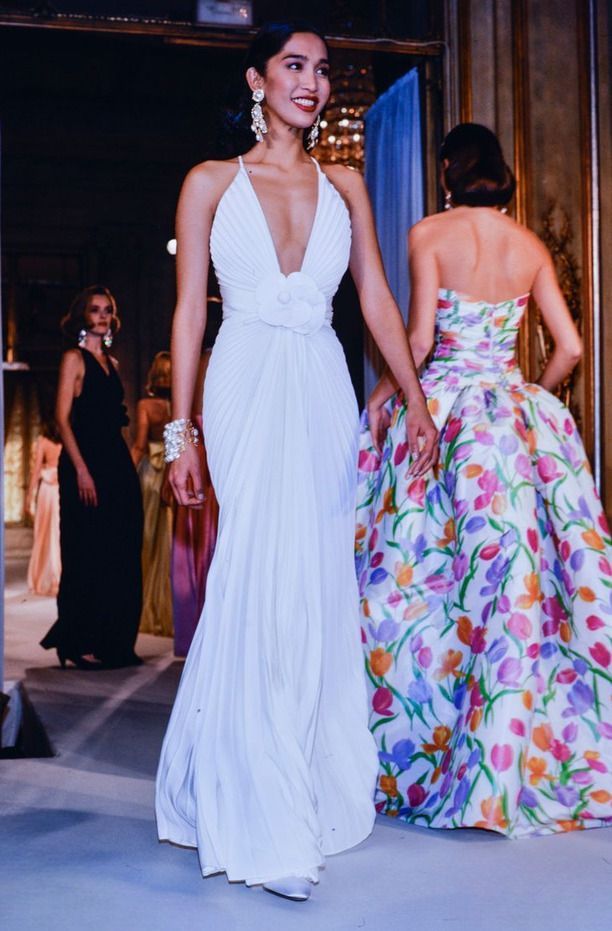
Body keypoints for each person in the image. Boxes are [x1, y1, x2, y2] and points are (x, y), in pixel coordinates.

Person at [155, 21, 437, 901]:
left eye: (321, 70)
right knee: (253, 571)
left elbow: (376, 297)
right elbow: (189, 314)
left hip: (320, 386)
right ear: (257, 78)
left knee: (312, 576)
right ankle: (264, 813)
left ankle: (296, 779)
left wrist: (416, 399)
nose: (311, 82)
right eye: (293, 66)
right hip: (243, 382)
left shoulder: (345, 183)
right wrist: (181, 434)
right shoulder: (209, 181)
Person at [356, 123, 612, 838]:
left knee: (423, 581)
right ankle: (512, 756)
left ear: (448, 169)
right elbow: (571, 347)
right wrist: (530, 396)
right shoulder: (529, 246)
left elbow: (419, 341)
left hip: (446, 413)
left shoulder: (429, 233)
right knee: (519, 587)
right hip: (509, 419)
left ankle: (420, 745)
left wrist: (384, 395)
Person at [40, 286, 143, 670]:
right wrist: (82, 469)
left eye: (107, 310)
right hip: (84, 463)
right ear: (82, 315)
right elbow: (61, 418)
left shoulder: (112, 362)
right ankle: (76, 640)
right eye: (95, 309)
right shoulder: (74, 358)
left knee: (120, 550)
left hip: (115, 462)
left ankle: (112, 642)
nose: (102, 315)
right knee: (86, 551)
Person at [131, 351, 173, 638]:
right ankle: (170, 610)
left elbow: (139, 444)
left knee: (146, 539)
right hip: (172, 470)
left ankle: (147, 607)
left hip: (150, 475)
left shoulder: (146, 405)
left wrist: (124, 472)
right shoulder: (181, 404)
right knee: (167, 543)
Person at [26, 418, 62, 597]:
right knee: (59, 532)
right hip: (61, 488)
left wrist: (29, 496)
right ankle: (59, 577)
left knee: (45, 532)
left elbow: (36, 470)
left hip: (48, 490)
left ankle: (46, 578)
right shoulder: (66, 441)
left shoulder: (43, 441)